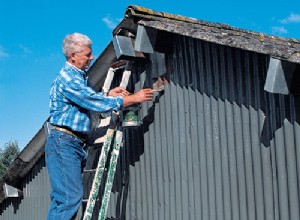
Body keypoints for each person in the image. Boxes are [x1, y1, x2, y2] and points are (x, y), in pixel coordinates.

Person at [45, 32, 153, 220]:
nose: (92, 57)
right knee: (69, 198)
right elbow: (91, 101)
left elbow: (87, 99)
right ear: (73, 56)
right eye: (87, 54)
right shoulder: (68, 79)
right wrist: (132, 99)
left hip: (72, 143)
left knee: (64, 199)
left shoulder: (78, 77)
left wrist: (109, 95)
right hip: (64, 142)